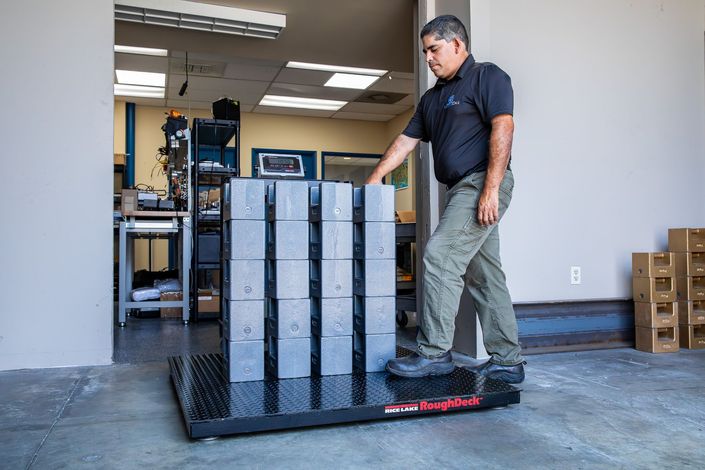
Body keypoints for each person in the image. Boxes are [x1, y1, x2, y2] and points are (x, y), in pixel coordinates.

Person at [364, 15, 525, 383]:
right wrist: (375, 176)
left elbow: (504, 128)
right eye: (424, 52)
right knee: (484, 275)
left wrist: (490, 190)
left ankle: (435, 352)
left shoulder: (487, 76)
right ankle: (507, 359)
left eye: (434, 49)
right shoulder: (432, 98)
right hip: (459, 190)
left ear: (457, 45)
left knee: (438, 255)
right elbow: (405, 141)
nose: (429, 58)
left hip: (481, 184)